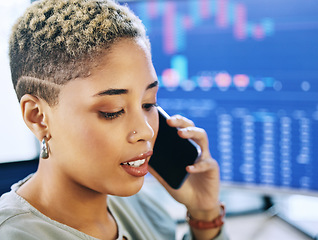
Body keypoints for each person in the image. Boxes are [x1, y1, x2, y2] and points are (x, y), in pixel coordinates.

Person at [0, 0, 228, 239]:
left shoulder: (145, 211)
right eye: (113, 111)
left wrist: (204, 214)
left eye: (149, 103)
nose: (146, 131)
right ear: (38, 118)